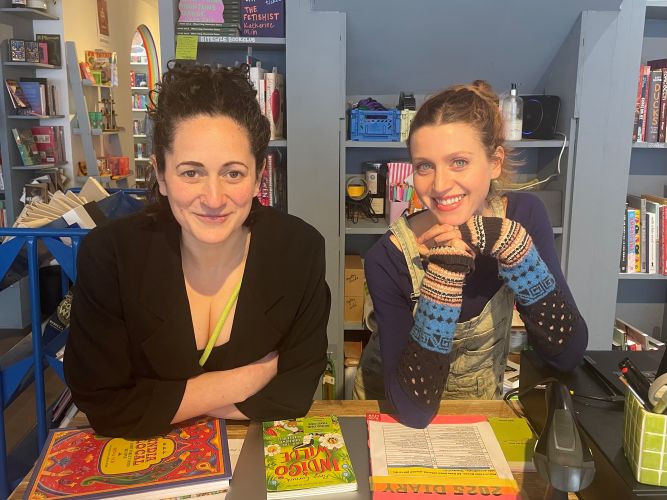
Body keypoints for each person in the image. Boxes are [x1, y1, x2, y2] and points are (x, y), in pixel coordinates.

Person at [64, 63, 330, 438]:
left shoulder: (299, 251)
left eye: (233, 173)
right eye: (191, 172)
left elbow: (292, 396)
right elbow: (103, 406)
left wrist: (157, 403)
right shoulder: (111, 256)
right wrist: (249, 378)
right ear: (161, 175)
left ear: (258, 177)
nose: (214, 198)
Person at [355, 81, 588, 428]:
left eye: (459, 162)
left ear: (494, 162)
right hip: (393, 414)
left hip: (480, 413)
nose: (439, 185)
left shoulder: (524, 216)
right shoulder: (387, 258)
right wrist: (444, 277)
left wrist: (513, 248)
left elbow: (566, 353)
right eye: (424, 166)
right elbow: (413, 410)